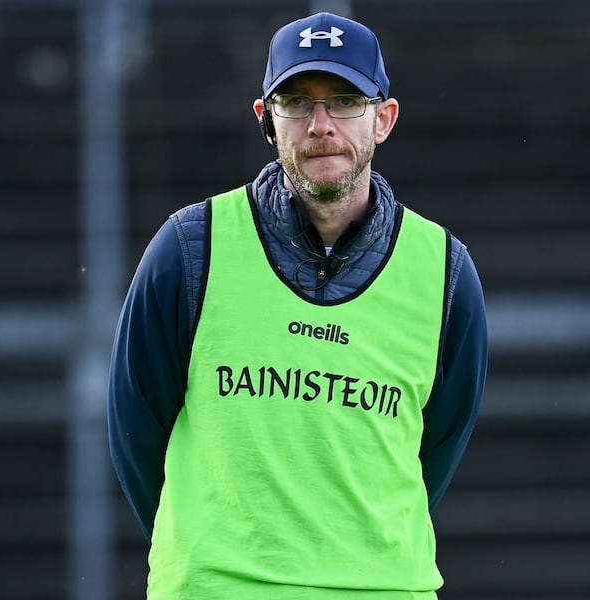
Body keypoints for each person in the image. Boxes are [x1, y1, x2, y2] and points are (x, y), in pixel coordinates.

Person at [108, 11, 487, 599]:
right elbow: (134, 436)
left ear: (383, 119)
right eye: (295, 102)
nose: (320, 125)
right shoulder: (189, 249)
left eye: (344, 100)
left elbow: (431, 454)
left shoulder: (444, 272)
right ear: (266, 120)